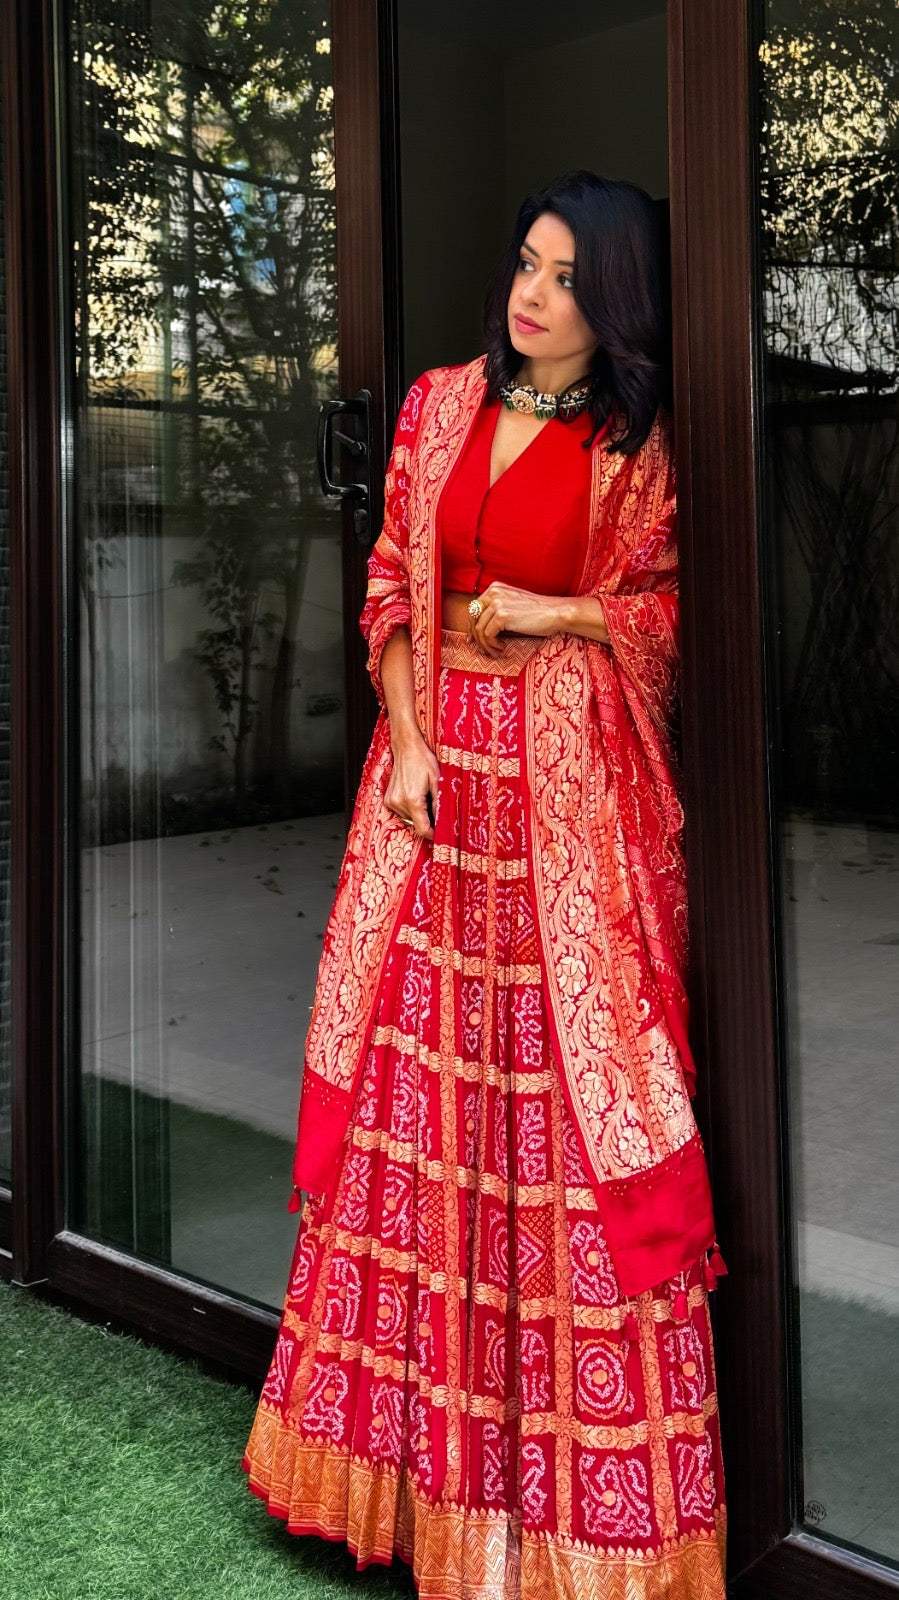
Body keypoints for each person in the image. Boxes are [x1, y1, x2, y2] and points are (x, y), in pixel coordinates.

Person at [241, 169, 729, 1600]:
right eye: (528, 263)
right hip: (436, 806)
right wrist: (402, 740)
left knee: (563, 1129)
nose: (535, 295)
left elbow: (669, 614)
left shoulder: (643, 447)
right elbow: (394, 576)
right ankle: (396, 1489)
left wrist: (553, 609)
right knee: (417, 1115)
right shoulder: (441, 405)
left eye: (571, 277)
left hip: (567, 831)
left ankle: (571, 1535)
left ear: (619, 299)